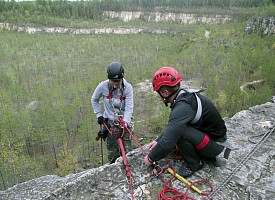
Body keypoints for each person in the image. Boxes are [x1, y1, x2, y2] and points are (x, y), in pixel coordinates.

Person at [143, 66, 227, 178]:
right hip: (213, 140)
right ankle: (201, 155)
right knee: (178, 130)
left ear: (165, 93)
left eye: (159, 93)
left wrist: (150, 158)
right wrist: (158, 140)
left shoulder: (182, 107)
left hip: (215, 146)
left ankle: (194, 164)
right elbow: (173, 127)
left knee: (180, 132)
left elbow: (168, 143)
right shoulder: (183, 97)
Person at [91, 62, 134, 164]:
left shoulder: (128, 88)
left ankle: (129, 168)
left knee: (127, 151)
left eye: (118, 81)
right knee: (113, 152)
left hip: (124, 122)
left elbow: (129, 108)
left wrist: (125, 124)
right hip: (110, 123)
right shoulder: (103, 86)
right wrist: (99, 115)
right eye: (113, 81)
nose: (115, 84)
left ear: (122, 79)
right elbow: (94, 99)